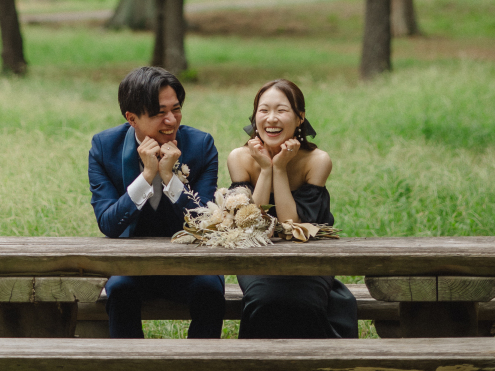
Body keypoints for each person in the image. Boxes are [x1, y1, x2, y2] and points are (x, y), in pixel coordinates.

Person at [88, 65, 225, 339]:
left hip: (191, 265)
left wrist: (169, 178)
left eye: (176, 109)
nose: (171, 120)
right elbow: (109, 224)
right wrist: (147, 175)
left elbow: (205, 223)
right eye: (159, 113)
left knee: (210, 289)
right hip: (132, 266)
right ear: (132, 119)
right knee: (119, 291)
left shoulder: (201, 145)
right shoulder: (105, 147)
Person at [227, 78, 357, 339]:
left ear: (300, 118)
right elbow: (252, 223)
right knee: (264, 301)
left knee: (305, 304)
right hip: (258, 258)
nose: (271, 118)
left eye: (281, 110)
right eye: (263, 110)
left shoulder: (317, 161)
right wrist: (265, 168)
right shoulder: (239, 158)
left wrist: (280, 168)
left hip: (309, 257)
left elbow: (292, 225)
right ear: (255, 117)